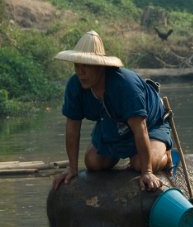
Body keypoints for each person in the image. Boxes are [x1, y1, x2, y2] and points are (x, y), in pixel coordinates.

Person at [52, 30, 172, 192]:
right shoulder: (75, 85)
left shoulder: (125, 86)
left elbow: (140, 128)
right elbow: (72, 127)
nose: (81, 72)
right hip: (115, 125)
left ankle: (167, 154)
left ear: (100, 67)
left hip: (151, 125)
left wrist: (147, 172)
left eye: (86, 66)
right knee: (93, 162)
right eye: (77, 66)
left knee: (139, 164)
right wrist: (72, 168)